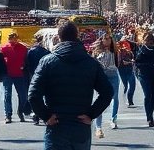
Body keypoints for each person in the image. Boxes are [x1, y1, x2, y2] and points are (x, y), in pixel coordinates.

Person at [28, 21, 114, 150]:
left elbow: (33, 94)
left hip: (57, 123)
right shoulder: (90, 63)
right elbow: (107, 92)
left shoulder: (47, 61)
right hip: (80, 124)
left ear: (58, 37)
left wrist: (46, 116)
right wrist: (91, 114)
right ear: (77, 36)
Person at [132, 33, 154, 128]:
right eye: (146, 41)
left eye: (150, 41)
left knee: (153, 96)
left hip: (153, 75)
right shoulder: (141, 49)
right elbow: (137, 62)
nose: (148, 43)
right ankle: (149, 117)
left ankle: (150, 114)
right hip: (143, 75)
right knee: (148, 95)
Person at [91, 36, 119, 137]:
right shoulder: (96, 51)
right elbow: (93, 64)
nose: (107, 40)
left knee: (114, 97)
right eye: (105, 38)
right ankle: (98, 127)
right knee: (100, 99)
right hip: (102, 76)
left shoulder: (114, 50)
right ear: (101, 40)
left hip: (113, 75)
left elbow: (117, 63)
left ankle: (113, 119)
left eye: (109, 38)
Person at [0, 32, 30, 123]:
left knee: (23, 95)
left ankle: (20, 111)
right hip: (7, 75)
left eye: (14, 38)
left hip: (19, 74)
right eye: (11, 38)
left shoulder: (23, 48)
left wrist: (24, 65)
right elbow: (0, 61)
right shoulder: (4, 48)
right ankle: (8, 115)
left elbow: (26, 59)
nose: (13, 39)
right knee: (7, 94)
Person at [22, 34, 50, 126]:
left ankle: (36, 115)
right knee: (45, 96)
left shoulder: (31, 51)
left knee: (35, 96)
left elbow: (27, 64)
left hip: (33, 75)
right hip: (45, 76)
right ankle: (45, 115)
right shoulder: (46, 52)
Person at [115, 40, 136, 108]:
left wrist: (132, 61)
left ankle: (130, 100)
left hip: (130, 70)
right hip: (122, 70)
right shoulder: (119, 52)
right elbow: (124, 62)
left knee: (132, 85)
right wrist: (131, 62)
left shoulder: (130, 52)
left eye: (127, 46)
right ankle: (123, 100)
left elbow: (132, 59)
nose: (126, 47)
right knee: (125, 86)